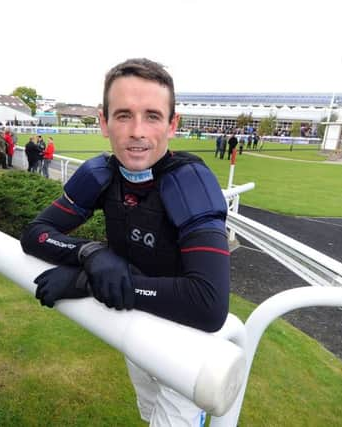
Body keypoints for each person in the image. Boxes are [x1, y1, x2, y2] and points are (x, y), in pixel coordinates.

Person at [21, 58, 229, 427]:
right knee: (148, 413)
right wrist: (91, 252)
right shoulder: (99, 173)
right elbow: (36, 233)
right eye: (123, 115)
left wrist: (84, 281)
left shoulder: (191, 182)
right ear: (103, 122)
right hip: (135, 323)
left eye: (152, 115)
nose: (137, 131)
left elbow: (208, 304)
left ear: (172, 124)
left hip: (187, 341)